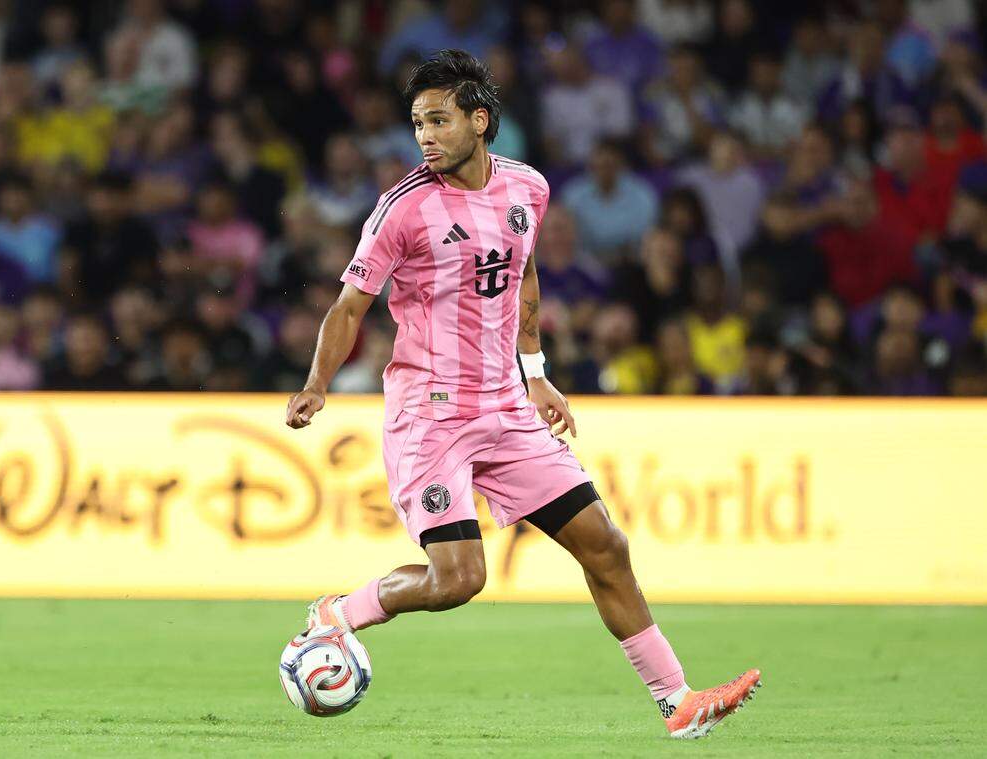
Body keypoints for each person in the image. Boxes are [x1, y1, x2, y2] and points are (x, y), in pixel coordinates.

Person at [285, 49, 760, 739]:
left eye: (439, 120)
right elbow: (349, 306)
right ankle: (338, 612)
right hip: (431, 415)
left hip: (506, 405)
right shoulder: (403, 209)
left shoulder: (527, 189)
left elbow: (523, 276)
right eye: (418, 123)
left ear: (480, 120)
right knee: (458, 579)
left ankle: (676, 701)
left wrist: (535, 373)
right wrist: (316, 383)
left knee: (605, 544)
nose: (425, 136)